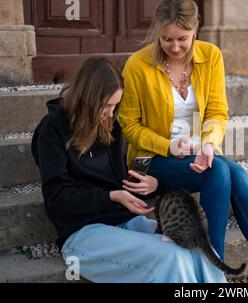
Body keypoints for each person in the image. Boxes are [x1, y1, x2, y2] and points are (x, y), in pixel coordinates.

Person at [118, 0, 248, 283]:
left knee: (233, 173)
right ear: (157, 33)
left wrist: (209, 144)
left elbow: (217, 113)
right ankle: (215, 272)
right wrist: (168, 146)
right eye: (166, 39)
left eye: (182, 39)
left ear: (195, 30)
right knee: (222, 171)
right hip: (152, 159)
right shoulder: (138, 65)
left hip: (199, 153)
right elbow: (129, 125)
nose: (174, 47)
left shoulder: (211, 56)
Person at [31, 56, 227, 283]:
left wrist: (154, 185)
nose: (110, 114)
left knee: (197, 248)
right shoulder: (52, 130)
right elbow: (57, 198)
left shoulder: (109, 124)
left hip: (122, 222)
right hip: (82, 233)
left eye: (115, 106)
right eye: (105, 106)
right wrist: (111, 196)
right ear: (86, 99)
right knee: (171, 256)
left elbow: (119, 180)